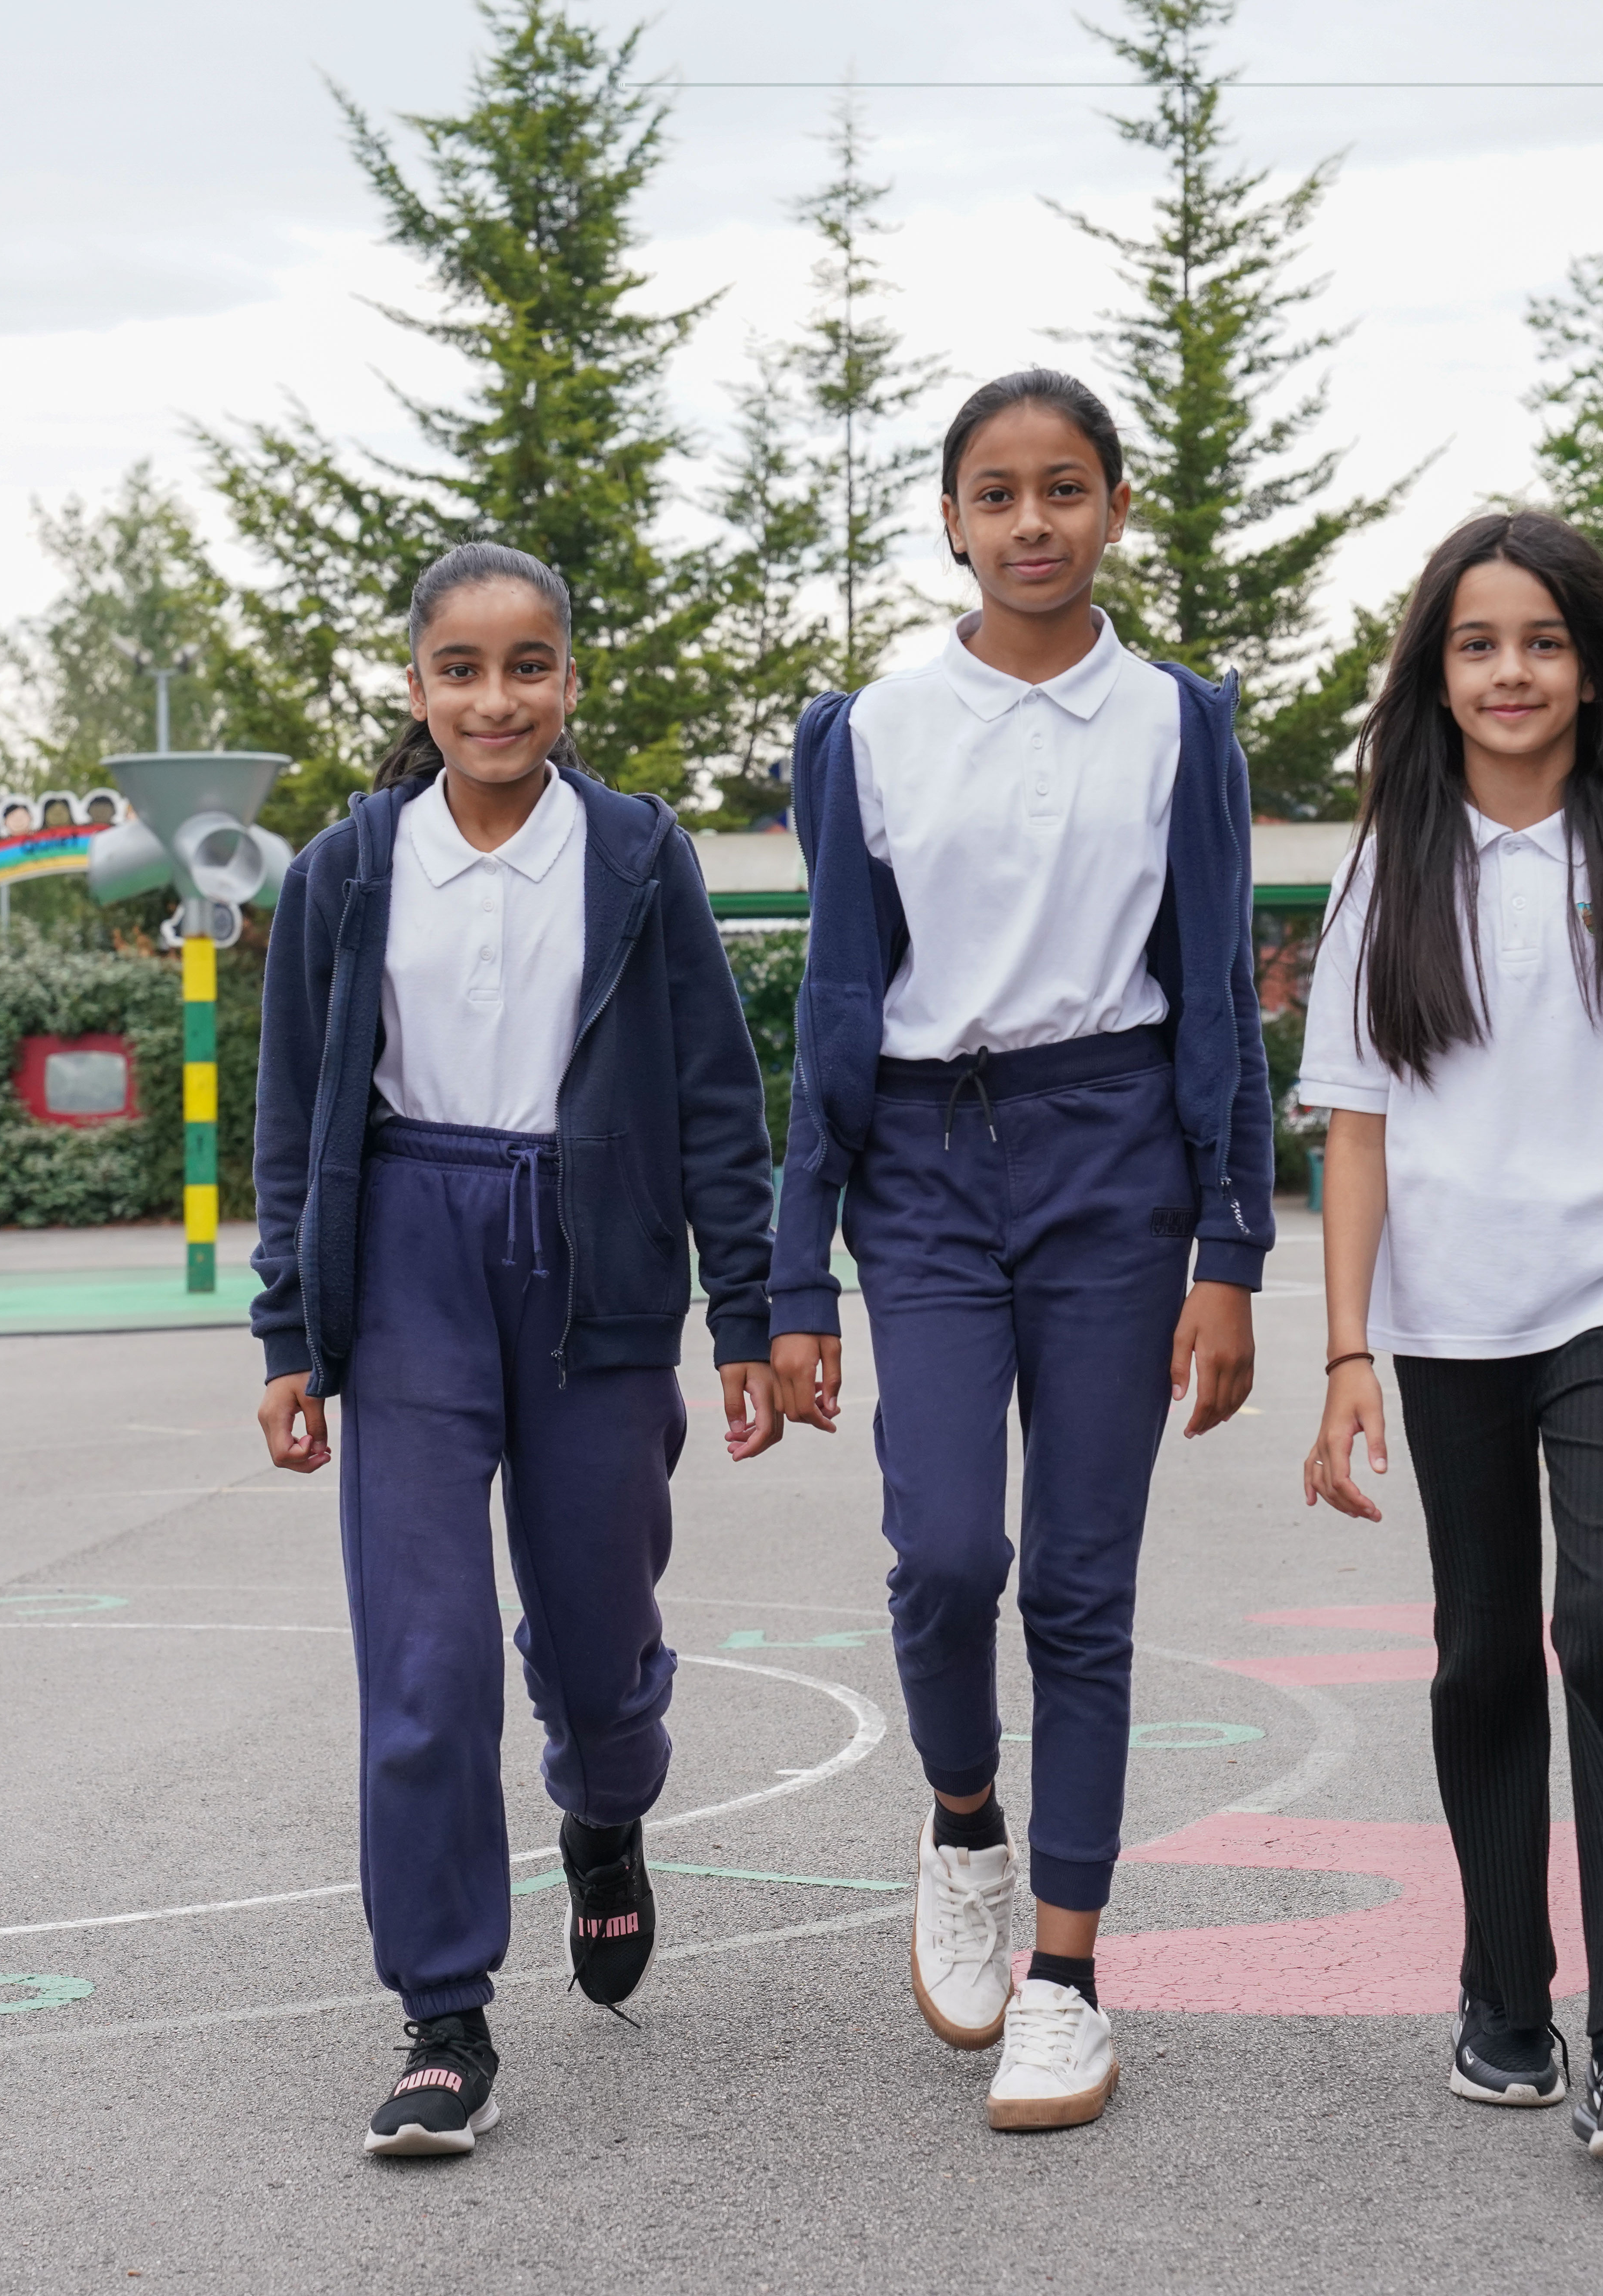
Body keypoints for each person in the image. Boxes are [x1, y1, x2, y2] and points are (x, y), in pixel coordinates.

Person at [769, 369, 1272, 2133]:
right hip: (920, 1157)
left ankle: (1064, 1974)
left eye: (1065, 488)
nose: (1032, 521)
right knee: (944, 1550)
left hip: (1112, 1152)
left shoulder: (1177, 722)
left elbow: (1215, 991)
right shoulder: (873, 729)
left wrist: (1232, 1241)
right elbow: (838, 997)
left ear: (1115, 509)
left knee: (1075, 1576)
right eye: (996, 493)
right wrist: (789, 1273)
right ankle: (963, 1824)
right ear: (950, 520)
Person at [248, 541, 785, 2159]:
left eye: (528, 664)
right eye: (462, 669)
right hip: (408, 1251)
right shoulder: (348, 872)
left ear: (568, 681)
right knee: (422, 1663)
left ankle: (604, 1810)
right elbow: (294, 1116)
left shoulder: (632, 854)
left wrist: (748, 1310)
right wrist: (288, 1325)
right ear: (414, 688)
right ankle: (440, 2016)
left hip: (591, 1258)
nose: (497, 697)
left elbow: (711, 1095)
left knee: (597, 1630)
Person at [1297, 509, 1603, 2168]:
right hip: (1441, 1321)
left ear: (1587, 666)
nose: (1509, 671)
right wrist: (1344, 1352)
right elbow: (1351, 1128)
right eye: (1474, 643)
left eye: (1540, 642)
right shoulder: (1387, 866)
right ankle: (1501, 1989)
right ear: (1434, 676)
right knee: (1480, 1647)